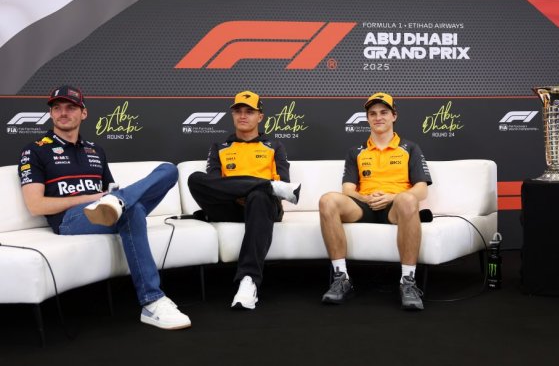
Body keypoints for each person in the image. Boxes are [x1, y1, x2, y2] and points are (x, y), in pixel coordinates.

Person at [18, 85, 191, 330]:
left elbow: (110, 191)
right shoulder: (35, 149)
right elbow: (36, 205)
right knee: (131, 210)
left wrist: (112, 198)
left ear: (84, 113)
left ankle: (121, 202)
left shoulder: (95, 150)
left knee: (168, 170)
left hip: (106, 207)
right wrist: (92, 197)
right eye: (57, 108)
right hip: (69, 220)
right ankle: (152, 301)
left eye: (70, 107)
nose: (63, 113)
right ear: (51, 114)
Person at [187, 90, 300, 310]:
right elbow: (213, 185)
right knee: (195, 179)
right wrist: (247, 189)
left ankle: (248, 280)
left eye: (249, 111)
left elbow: (284, 186)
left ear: (260, 117)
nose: (242, 115)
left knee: (259, 196)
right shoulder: (219, 147)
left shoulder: (274, 146)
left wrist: (251, 191)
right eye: (238, 111)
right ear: (232, 115)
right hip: (230, 206)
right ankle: (264, 185)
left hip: (264, 206)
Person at [319, 92, 432, 310]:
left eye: (383, 112)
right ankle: (341, 279)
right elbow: (347, 189)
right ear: (368, 118)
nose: (378, 117)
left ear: (394, 116)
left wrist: (392, 197)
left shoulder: (410, 148)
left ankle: (408, 282)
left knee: (409, 200)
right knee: (327, 200)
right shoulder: (356, 151)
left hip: (396, 206)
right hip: (364, 205)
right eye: (372, 113)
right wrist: (365, 197)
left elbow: (421, 189)